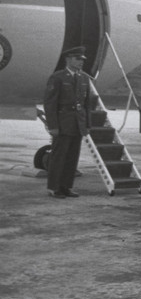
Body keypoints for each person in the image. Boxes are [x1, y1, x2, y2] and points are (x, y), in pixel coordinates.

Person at [43, 45, 91, 198]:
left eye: (82, 60)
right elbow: (50, 103)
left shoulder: (84, 78)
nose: (81, 62)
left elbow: (87, 104)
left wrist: (87, 124)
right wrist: (53, 126)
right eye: (78, 59)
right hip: (63, 123)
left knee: (72, 157)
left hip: (78, 124)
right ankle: (53, 188)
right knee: (59, 157)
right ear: (68, 59)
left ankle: (66, 186)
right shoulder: (58, 77)